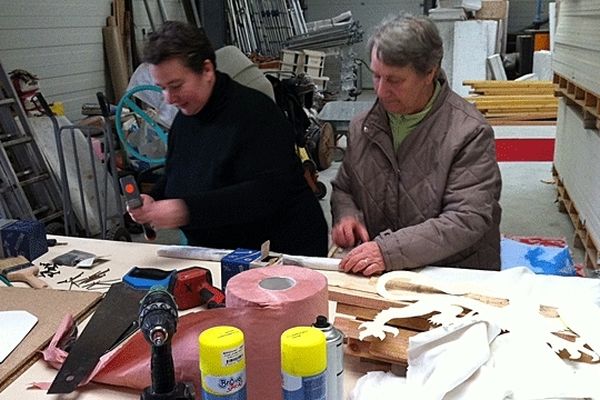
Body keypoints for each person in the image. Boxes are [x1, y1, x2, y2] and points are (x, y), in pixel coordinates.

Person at [128, 21, 328, 256]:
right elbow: (178, 175)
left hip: (280, 252)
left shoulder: (256, 113)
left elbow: (263, 195)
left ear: (207, 70)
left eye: (176, 85)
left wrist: (185, 211)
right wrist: (154, 197)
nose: (169, 99)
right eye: (162, 88)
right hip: (221, 252)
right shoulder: (185, 120)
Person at [331, 13, 502, 276]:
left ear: (429, 73)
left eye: (395, 80)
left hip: (451, 274)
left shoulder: (469, 132)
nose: (380, 90)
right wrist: (347, 215)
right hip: (382, 273)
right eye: (376, 76)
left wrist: (388, 252)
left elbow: (466, 218)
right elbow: (344, 187)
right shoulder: (362, 126)